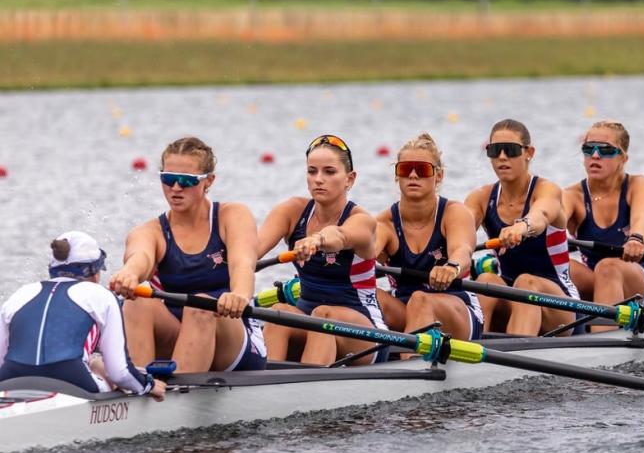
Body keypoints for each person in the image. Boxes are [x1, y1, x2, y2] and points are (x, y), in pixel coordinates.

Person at [109, 137, 264, 374]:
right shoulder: (150, 232)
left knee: (200, 305)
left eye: (186, 181)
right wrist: (129, 274)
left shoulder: (232, 216)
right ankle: (137, 389)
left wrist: (240, 294)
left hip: (232, 339)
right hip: (177, 333)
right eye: (168, 179)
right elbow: (140, 257)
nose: (176, 188)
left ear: (208, 181)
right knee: (136, 303)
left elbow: (242, 262)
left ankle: (174, 400)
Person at [257, 134, 388, 365]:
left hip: (366, 332)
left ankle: (307, 393)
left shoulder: (362, 220)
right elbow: (251, 250)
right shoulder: (292, 211)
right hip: (310, 319)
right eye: (312, 171)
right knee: (278, 312)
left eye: (329, 172)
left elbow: (339, 236)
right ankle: (262, 388)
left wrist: (316, 240)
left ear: (350, 179)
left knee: (323, 315)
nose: (318, 179)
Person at [1, 231, 165, 400]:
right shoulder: (102, 295)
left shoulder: (19, 295)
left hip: (8, 381)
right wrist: (148, 384)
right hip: (74, 383)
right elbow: (120, 372)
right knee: (102, 368)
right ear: (94, 270)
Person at [465, 119, 579, 336]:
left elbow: (541, 214)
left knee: (525, 282)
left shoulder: (546, 189)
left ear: (529, 152)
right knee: (486, 280)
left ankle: (514, 357)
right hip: (511, 294)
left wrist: (522, 227)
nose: (502, 157)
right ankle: (474, 352)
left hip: (560, 304)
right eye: (495, 150)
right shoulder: (480, 197)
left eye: (510, 150)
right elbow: (461, 229)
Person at [375, 134, 483, 351]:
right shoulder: (384, 222)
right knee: (370, 295)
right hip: (404, 309)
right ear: (397, 176)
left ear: (438, 175)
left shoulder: (453, 213)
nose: (413, 175)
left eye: (422, 170)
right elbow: (364, 255)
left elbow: (462, 250)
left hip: (457, 308)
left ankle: (406, 369)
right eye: (405, 169)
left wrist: (451, 267)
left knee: (420, 299)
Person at [563, 120, 644, 328]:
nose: (595, 156)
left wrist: (636, 238)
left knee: (608, 267)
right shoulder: (571, 196)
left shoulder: (638, 185)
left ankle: (601, 344)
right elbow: (552, 221)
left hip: (642, 281)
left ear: (623, 158)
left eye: (606, 150)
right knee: (556, 269)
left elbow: (642, 219)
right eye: (588, 149)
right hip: (595, 279)